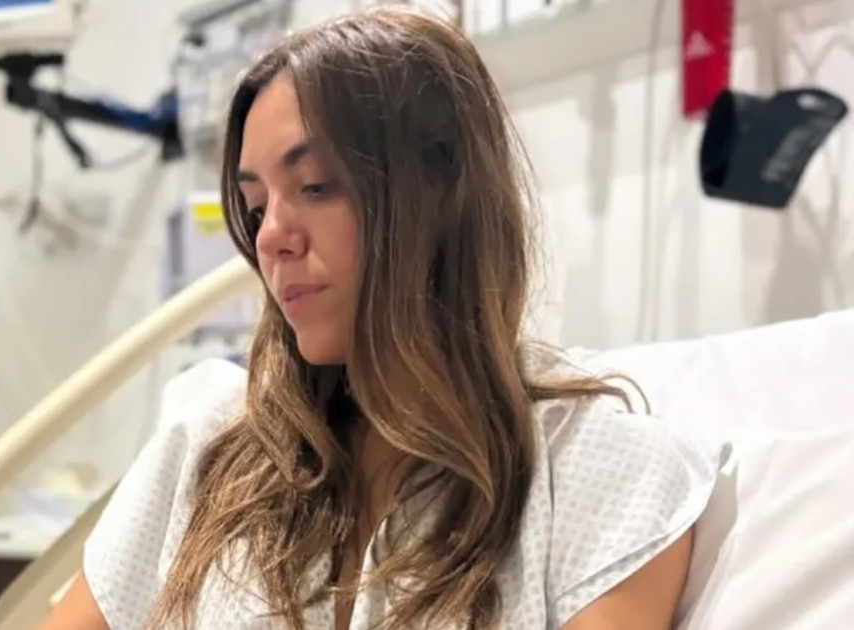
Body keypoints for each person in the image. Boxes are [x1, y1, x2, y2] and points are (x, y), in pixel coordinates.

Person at [42, 6, 723, 630]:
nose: (271, 236)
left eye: (315, 186)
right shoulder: (208, 454)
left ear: (443, 192)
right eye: (255, 206)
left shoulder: (601, 473)